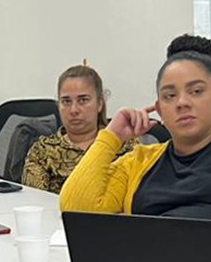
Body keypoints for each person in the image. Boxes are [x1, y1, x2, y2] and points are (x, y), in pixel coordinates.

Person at [60, 35, 211, 220]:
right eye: (170, 96)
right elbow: (75, 207)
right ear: (159, 109)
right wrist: (111, 135)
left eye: (196, 91)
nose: (182, 103)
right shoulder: (139, 162)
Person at [22, 63, 134, 193]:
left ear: (100, 104)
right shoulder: (42, 152)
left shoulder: (125, 146)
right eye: (66, 101)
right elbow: (34, 203)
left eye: (83, 100)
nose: (74, 110)